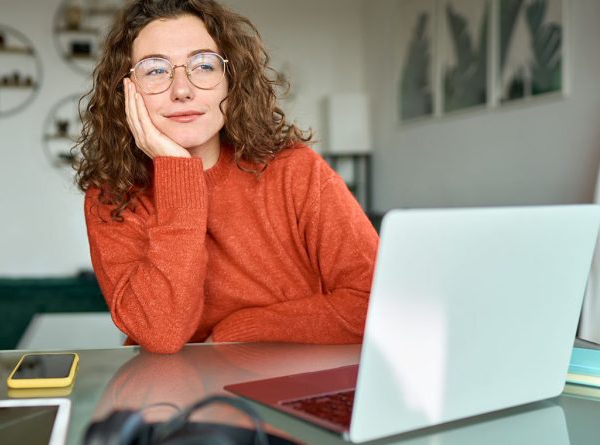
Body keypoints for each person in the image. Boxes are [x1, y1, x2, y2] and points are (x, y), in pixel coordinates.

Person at [76, 0, 378, 354]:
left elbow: (376, 303)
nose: (182, 89)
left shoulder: (296, 170)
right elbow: (161, 333)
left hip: (290, 383)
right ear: (126, 91)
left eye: (203, 65)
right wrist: (177, 170)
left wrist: (241, 330)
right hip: (172, 394)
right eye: (155, 70)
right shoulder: (112, 197)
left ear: (230, 81)